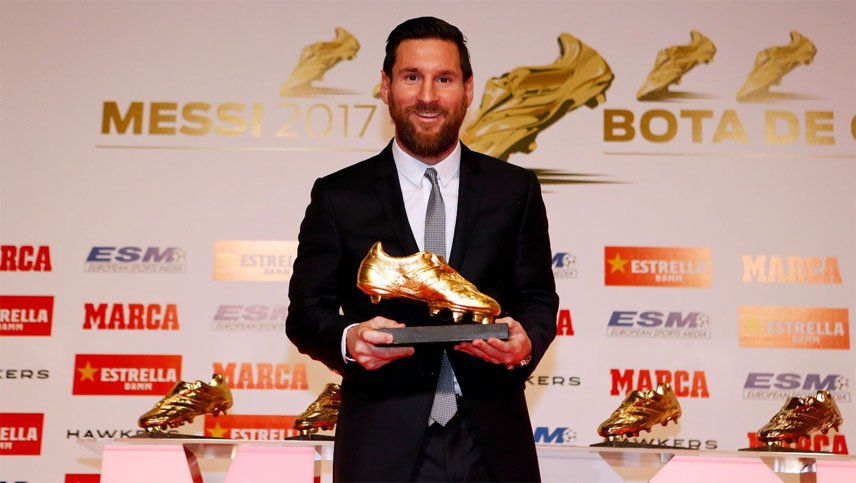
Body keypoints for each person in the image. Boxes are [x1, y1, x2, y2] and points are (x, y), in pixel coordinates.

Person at [286, 17, 558, 482]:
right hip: (380, 447)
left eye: (444, 79)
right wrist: (350, 339)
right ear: (385, 86)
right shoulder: (339, 196)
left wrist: (527, 338)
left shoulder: (514, 189)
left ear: (468, 89)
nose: (428, 96)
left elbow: (538, 298)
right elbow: (305, 313)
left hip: (494, 444)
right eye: (411, 77)